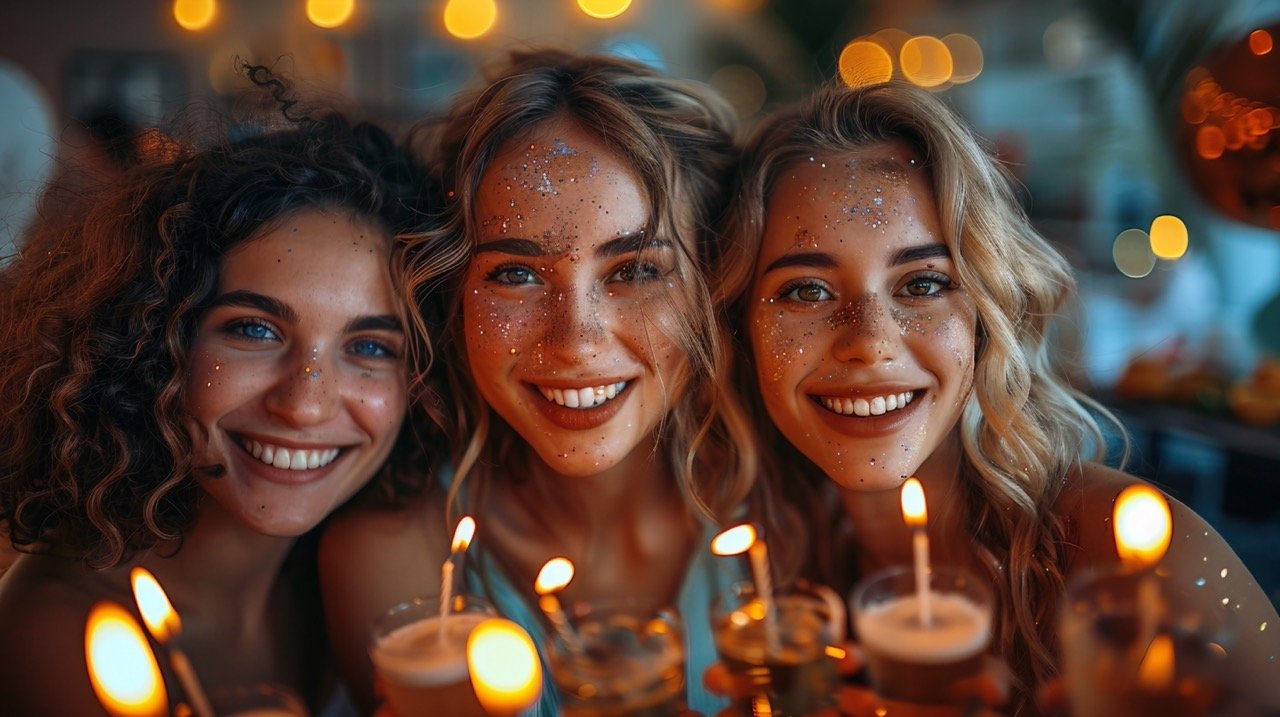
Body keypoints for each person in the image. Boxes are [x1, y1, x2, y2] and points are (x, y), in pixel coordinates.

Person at [714, 80, 1280, 714]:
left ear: (987, 314)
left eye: (923, 283)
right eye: (807, 292)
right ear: (739, 329)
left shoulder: (1138, 565)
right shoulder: (760, 573)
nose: (870, 344)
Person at [319, 49, 781, 716]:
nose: (575, 342)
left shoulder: (788, 514)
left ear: (711, 282)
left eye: (636, 270)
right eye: (516, 274)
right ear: (455, 294)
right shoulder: (391, 561)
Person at [0, 71, 461, 716]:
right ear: (155, 342)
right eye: (254, 330)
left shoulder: (361, 569)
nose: (305, 405)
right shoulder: (55, 637)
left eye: (371, 347)